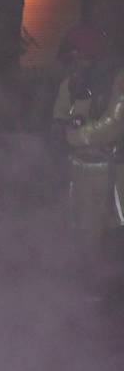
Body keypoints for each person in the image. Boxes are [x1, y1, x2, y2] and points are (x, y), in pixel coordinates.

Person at [52, 23, 124, 250]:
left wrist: (74, 136)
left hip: (113, 176)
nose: (76, 64)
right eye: (72, 59)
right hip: (78, 176)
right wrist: (59, 130)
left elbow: (114, 125)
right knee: (82, 241)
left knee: (113, 240)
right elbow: (60, 116)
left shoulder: (118, 80)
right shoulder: (71, 83)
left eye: (80, 57)